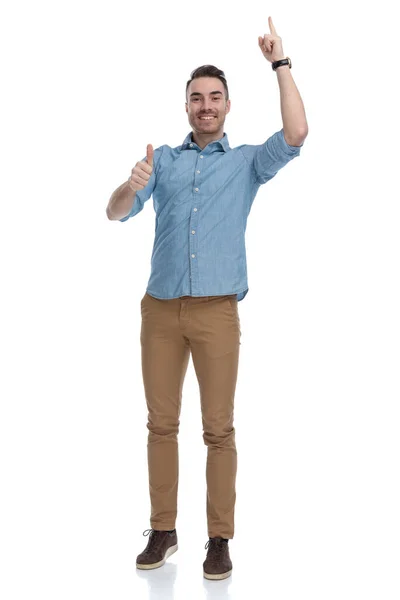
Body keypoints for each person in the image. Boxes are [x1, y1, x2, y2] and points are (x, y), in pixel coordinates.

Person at [106, 16, 308, 581]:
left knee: (218, 428)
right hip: (161, 312)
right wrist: (131, 181)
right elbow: (116, 211)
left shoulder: (246, 162)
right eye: (196, 97)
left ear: (227, 105)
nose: (205, 105)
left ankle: (219, 540)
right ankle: (164, 530)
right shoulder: (163, 161)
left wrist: (280, 62)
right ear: (186, 106)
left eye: (215, 97)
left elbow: (296, 133)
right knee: (160, 424)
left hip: (218, 312)